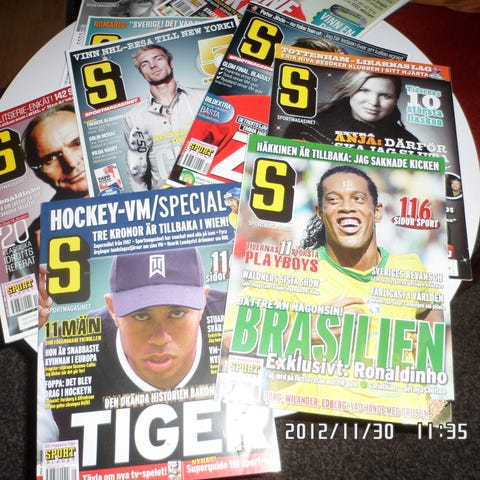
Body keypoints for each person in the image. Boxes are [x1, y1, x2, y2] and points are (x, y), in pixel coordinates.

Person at [37, 247, 227, 465]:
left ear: (203, 301)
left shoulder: (237, 323)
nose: (160, 338)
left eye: (177, 313)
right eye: (141, 315)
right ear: (113, 309)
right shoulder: (59, 358)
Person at [10, 103, 89, 280]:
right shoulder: (24, 249)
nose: (71, 162)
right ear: (38, 172)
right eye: (50, 158)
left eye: (77, 143)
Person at [124, 44, 206, 190]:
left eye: (158, 59)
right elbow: (135, 171)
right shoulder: (134, 116)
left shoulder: (202, 98)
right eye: (145, 64)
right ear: (141, 73)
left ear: (171, 63)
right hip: (165, 197)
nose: (153, 65)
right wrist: (145, 201)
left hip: (210, 190)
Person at [284, 70, 421, 149]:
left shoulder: (410, 143)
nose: (374, 102)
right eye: (364, 91)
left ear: (396, 100)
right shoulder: (307, 128)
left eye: (385, 96)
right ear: (350, 90)